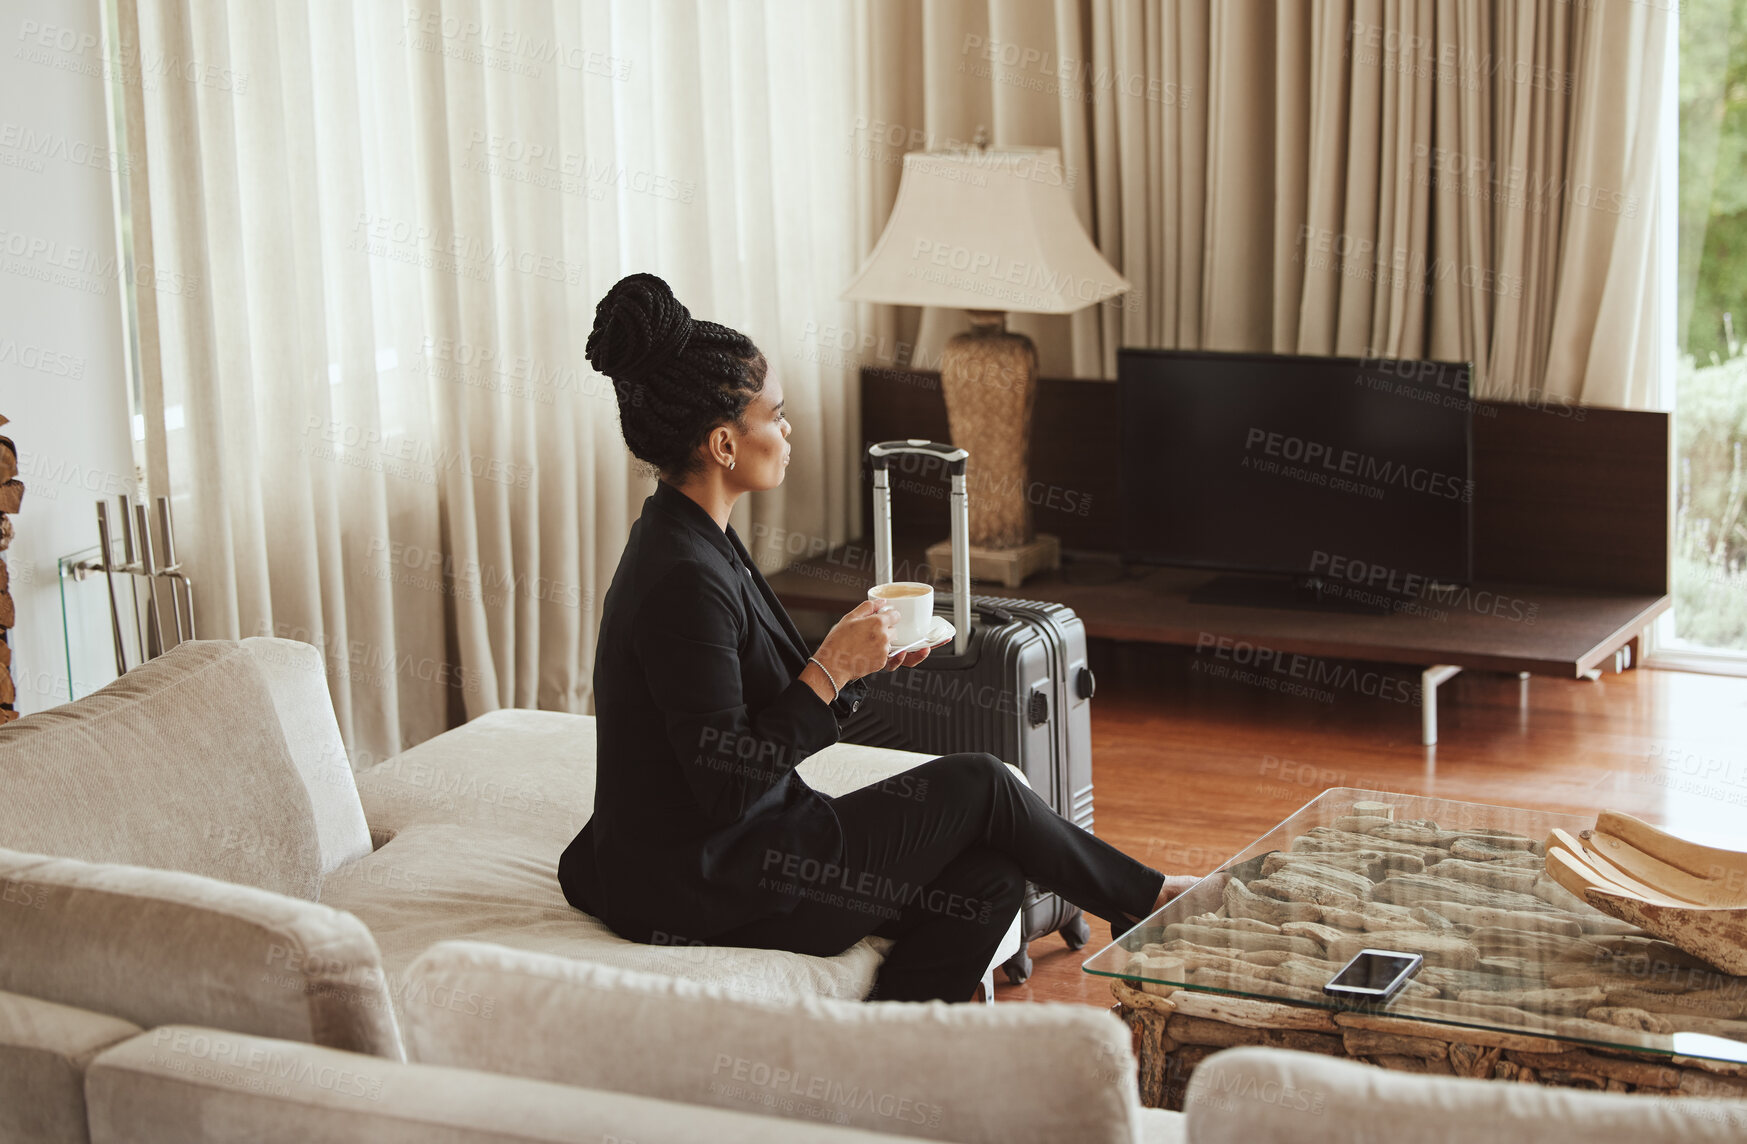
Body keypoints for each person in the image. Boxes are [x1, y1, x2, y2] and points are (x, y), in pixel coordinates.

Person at [559, 272, 1195, 1002]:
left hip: (745, 842)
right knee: (981, 781)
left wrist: (857, 664)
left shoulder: (691, 536)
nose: (788, 430)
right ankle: (1149, 903)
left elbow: (747, 698)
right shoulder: (681, 577)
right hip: (710, 876)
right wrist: (828, 672)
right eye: (778, 415)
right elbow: (723, 785)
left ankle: (892, 1039)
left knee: (988, 880)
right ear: (724, 444)